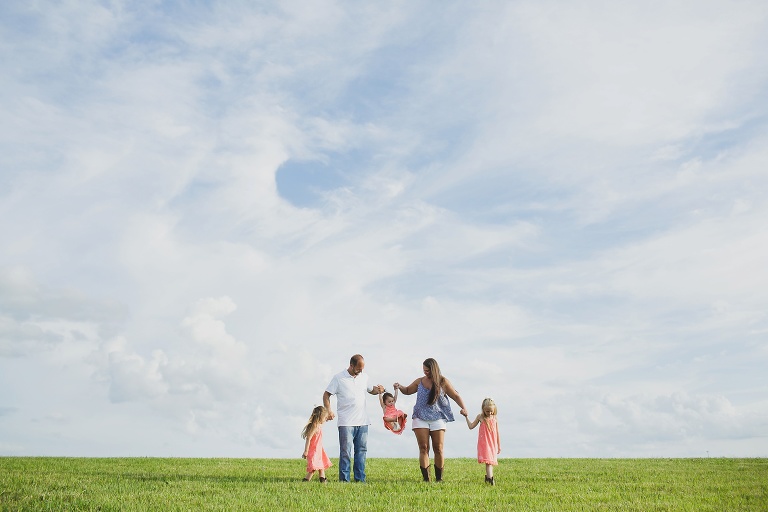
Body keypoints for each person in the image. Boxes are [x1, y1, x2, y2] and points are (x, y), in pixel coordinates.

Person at [394, 357, 468, 482]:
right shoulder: (419, 381)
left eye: (427, 370)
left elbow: (455, 395)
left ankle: (439, 479)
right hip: (420, 417)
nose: (425, 373)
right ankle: (426, 479)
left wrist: (464, 408)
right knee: (423, 447)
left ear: (434, 369)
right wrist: (399, 386)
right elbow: (407, 391)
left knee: (438, 448)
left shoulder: (443, 381)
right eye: (424, 370)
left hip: (438, 417)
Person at [323, 354, 384, 482]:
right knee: (345, 452)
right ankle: (344, 480)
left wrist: (378, 390)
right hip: (346, 422)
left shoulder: (364, 376)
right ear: (351, 365)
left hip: (363, 422)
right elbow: (326, 395)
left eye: (362, 369)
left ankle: (360, 479)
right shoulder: (339, 378)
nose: (361, 371)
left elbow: (370, 389)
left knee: (361, 451)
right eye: (358, 368)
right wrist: (329, 410)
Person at [466, 398, 501, 485]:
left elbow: (497, 433)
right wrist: (466, 417)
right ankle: (490, 480)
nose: (489, 413)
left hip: (492, 444)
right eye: (487, 411)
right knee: (488, 463)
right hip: (485, 444)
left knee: (490, 463)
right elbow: (471, 426)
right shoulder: (480, 417)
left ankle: (488, 479)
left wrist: (499, 445)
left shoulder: (494, 418)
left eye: (491, 411)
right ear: (483, 409)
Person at [301, 405, 332, 483]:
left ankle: (323, 481)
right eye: (324, 418)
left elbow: (325, 419)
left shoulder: (319, 425)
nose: (325, 420)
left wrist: (329, 416)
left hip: (319, 450)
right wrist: (306, 451)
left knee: (321, 466)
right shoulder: (315, 426)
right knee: (313, 468)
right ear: (320, 417)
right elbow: (308, 438)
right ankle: (306, 480)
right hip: (314, 450)